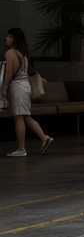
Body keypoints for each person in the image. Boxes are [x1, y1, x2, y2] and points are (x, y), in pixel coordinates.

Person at [4, 28, 54, 157]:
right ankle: (45, 138)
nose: (6, 38)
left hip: (17, 87)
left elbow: (9, 74)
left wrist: (4, 87)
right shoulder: (24, 54)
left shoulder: (10, 53)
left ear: (14, 39)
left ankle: (21, 149)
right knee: (26, 116)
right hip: (25, 87)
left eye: (9, 36)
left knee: (18, 118)